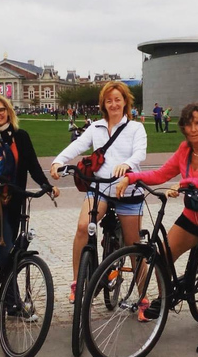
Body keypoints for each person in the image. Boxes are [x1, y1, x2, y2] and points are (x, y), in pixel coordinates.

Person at [117, 102, 198, 353]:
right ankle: (166, 296)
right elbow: (160, 174)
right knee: (162, 255)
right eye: (188, 124)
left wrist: (187, 182)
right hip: (192, 217)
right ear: (182, 127)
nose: (193, 129)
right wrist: (132, 177)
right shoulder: (184, 150)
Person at [50, 81, 147, 306]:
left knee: (134, 246)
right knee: (83, 227)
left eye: (117, 99)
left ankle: (143, 298)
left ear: (125, 102)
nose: (113, 104)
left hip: (127, 190)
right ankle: (77, 281)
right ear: (103, 103)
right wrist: (58, 161)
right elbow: (77, 146)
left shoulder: (135, 128)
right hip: (101, 189)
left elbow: (139, 153)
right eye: (109, 100)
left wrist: (127, 164)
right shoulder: (96, 127)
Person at [0, 94, 59, 283]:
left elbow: (32, 164)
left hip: (7, 200)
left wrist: (46, 185)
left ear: (8, 111)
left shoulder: (20, 136)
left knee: (7, 253)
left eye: (1, 110)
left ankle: (11, 303)